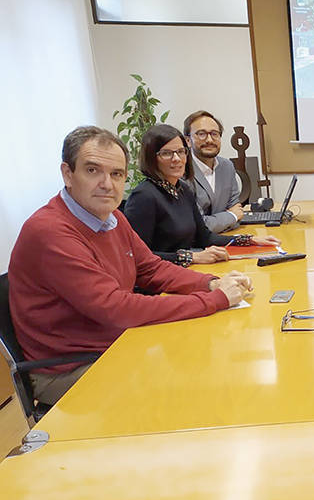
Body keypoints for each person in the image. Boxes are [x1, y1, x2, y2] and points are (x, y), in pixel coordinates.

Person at [8, 126, 253, 405]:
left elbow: (151, 268)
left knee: (210, 360)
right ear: (68, 174)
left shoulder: (112, 217)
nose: (107, 184)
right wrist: (216, 300)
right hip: (73, 368)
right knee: (191, 391)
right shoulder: (50, 232)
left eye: (116, 174)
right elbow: (116, 308)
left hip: (117, 343)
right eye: (92, 171)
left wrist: (210, 282)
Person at [124, 124, 278, 266]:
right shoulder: (143, 196)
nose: (177, 159)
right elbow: (138, 256)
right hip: (159, 283)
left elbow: (204, 237)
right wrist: (191, 257)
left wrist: (248, 240)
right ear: (151, 158)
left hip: (187, 271)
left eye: (180, 151)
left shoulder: (182, 189)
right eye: (166, 153)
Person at [183, 110, 243, 233]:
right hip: (197, 249)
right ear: (188, 140)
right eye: (201, 134)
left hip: (227, 238)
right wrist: (231, 216)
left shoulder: (227, 166)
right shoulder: (182, 171)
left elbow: (237, 211)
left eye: (214, 134)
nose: (209, 140)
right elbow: (196, 226)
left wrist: (232, 217)